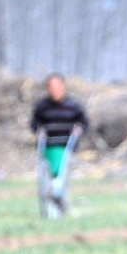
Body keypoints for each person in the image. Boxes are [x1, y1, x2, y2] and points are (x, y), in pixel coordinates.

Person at [30, 73, 89, 217]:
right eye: (50, 87)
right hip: (47, 148)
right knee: (46, 184)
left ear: (63, 87)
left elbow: (84, 122)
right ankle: (48, 212)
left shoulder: (73, 105)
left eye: (56, 86)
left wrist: (79, 130)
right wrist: (38, 130)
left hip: (66, 148)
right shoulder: (42, 106)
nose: (53, 90)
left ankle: (63, 210)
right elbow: (34, 122)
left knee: (61, 183)